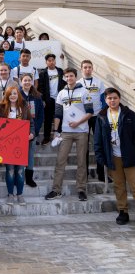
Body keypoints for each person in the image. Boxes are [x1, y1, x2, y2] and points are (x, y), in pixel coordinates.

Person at [45, 68, 93, 201]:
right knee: (60, 161)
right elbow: (58, 114)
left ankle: (81, 189)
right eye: (66, 76)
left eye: (71, 76)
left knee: (81, 162)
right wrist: (55, 131)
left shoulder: (84, 91)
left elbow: (90, 112)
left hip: (81, 131)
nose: (69, 78)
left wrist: (78, 123)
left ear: (75, 77)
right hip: (66, 132)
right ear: (64, 78)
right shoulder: (61, 93)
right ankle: (56, 190)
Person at [94, 87, 135, 225]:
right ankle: (123, 211)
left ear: (119, 99)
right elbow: (98, 139)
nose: (112, 100)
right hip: (114, 157)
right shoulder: (101, 117)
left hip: (130, 156)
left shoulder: (129, 114)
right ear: (105, 100)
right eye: (109, 98)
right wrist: (101, 158)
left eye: (115, 98)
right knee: (119, 186)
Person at [0, 85, 34, 205]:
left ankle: (20, 195)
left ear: (18, 95)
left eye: (15, 93)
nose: (13, 96)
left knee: (20, 171)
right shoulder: (0, 108)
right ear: (7, 95)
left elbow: (31, 124)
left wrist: (31, 134)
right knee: (10, 170)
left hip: (21, 143)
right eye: (10, 93)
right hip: (7, 144)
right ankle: (10, 195)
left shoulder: (24, 107)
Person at [78, 60, 106, 181]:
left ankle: (101, 174)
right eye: (85, 67)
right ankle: (84, 175)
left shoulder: (99, 82)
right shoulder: (78, 83)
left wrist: (103, 114)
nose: (87, 69)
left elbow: (104, 100)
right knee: (84, 146)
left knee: (99, 144)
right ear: (81, 69)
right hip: (83, 118)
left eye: (89, 67)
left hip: (97, 117)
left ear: (92, 69)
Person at [20, 74, 44, 187]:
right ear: (21, 82)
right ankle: (19, 177)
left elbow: (40, 116)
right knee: (19, 154)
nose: (27, 82)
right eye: (25, 80)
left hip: (32, 131)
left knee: (30, 154)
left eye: (29, 80)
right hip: (18, 130)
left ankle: (29, 178)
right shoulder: (17, 95)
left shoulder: (37, 96)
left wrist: (35, 131)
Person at [38, 54, 66, 145]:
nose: (51, 62)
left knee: (60, 117)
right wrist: (43, 99)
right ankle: (46, 137)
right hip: (48, 99)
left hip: (59, 98)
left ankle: (58, 135)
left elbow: (65, 82)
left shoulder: (60, 71)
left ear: (55, 61)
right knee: (48, 119)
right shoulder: (43, 73)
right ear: (46, 62)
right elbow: (40, 87)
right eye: (49, 60)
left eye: (53, 60)